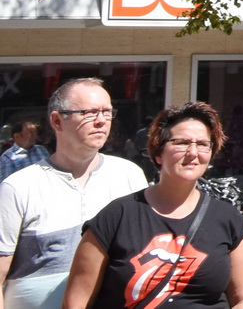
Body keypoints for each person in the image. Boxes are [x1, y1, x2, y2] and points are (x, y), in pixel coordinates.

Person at [61, 103, 243, 309]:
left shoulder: (228, 220)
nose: (193, 152)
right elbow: (75, 303)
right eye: (181, 143)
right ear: (158, 152)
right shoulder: (116, 217)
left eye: (203, 144)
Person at [0, 79, 147, 309]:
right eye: (89, 113)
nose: (101, 120)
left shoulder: (129, 176)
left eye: (107, 112)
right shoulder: (19, 187)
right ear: (57, 121)